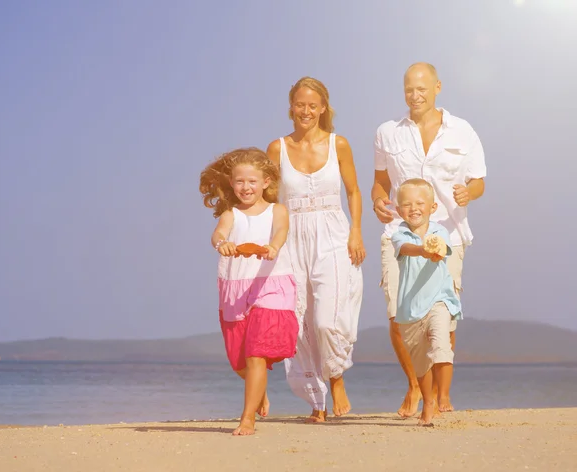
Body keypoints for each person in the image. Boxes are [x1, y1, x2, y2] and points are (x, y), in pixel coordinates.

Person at [372, 62, 486, 417]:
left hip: (448, 233)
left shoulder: (463, 131)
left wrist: (469, 193)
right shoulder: (387, 132)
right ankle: (414, 385)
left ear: (437, 87)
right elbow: (380, 182)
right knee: (398, 316)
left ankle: (437, 395)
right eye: (409, 89)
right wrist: (378, 200)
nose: (415, 95)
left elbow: (479, 181)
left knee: (444, 316)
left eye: (422, 88)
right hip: (400, 235)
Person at [266, 76, 365, 423]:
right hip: (292, 238)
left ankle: (336, 377)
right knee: (299, 321)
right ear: (291, 107)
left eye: (313, 105)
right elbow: (268, 200)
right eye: (300, 104)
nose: (305, 111)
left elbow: (353, 191)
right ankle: (316, 402)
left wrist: (356, 232)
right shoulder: (277, 148)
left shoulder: (339, 144)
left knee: (327, 319)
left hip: (333, 234)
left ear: (323, 108)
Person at [199, 147, 299, 435]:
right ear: (232, 183)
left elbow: (281, 231)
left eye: (252, 181)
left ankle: (247, 419)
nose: (246, 187)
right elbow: (218, 234)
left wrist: (274, 247)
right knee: (239, 361)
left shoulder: (276, 210)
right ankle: (260, 391)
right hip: (237, 287)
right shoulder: (231, 214)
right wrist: (222, 244)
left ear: (266, 182)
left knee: (257, 355)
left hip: (272, 283)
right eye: (240, 181)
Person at [391, 178, 462, 426]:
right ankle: (427, 406)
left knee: (441, 345)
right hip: (410, 310)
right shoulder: (399, 235)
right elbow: (407, 249)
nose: (414, 208)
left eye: (420, 203)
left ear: (432, 207)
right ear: (399, 210)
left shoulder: (440, 231)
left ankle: (443, 396)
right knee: (421, 364)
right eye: (407, 204)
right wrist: (422, 250)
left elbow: (441, 248)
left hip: (439, 301)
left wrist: (434, 249)